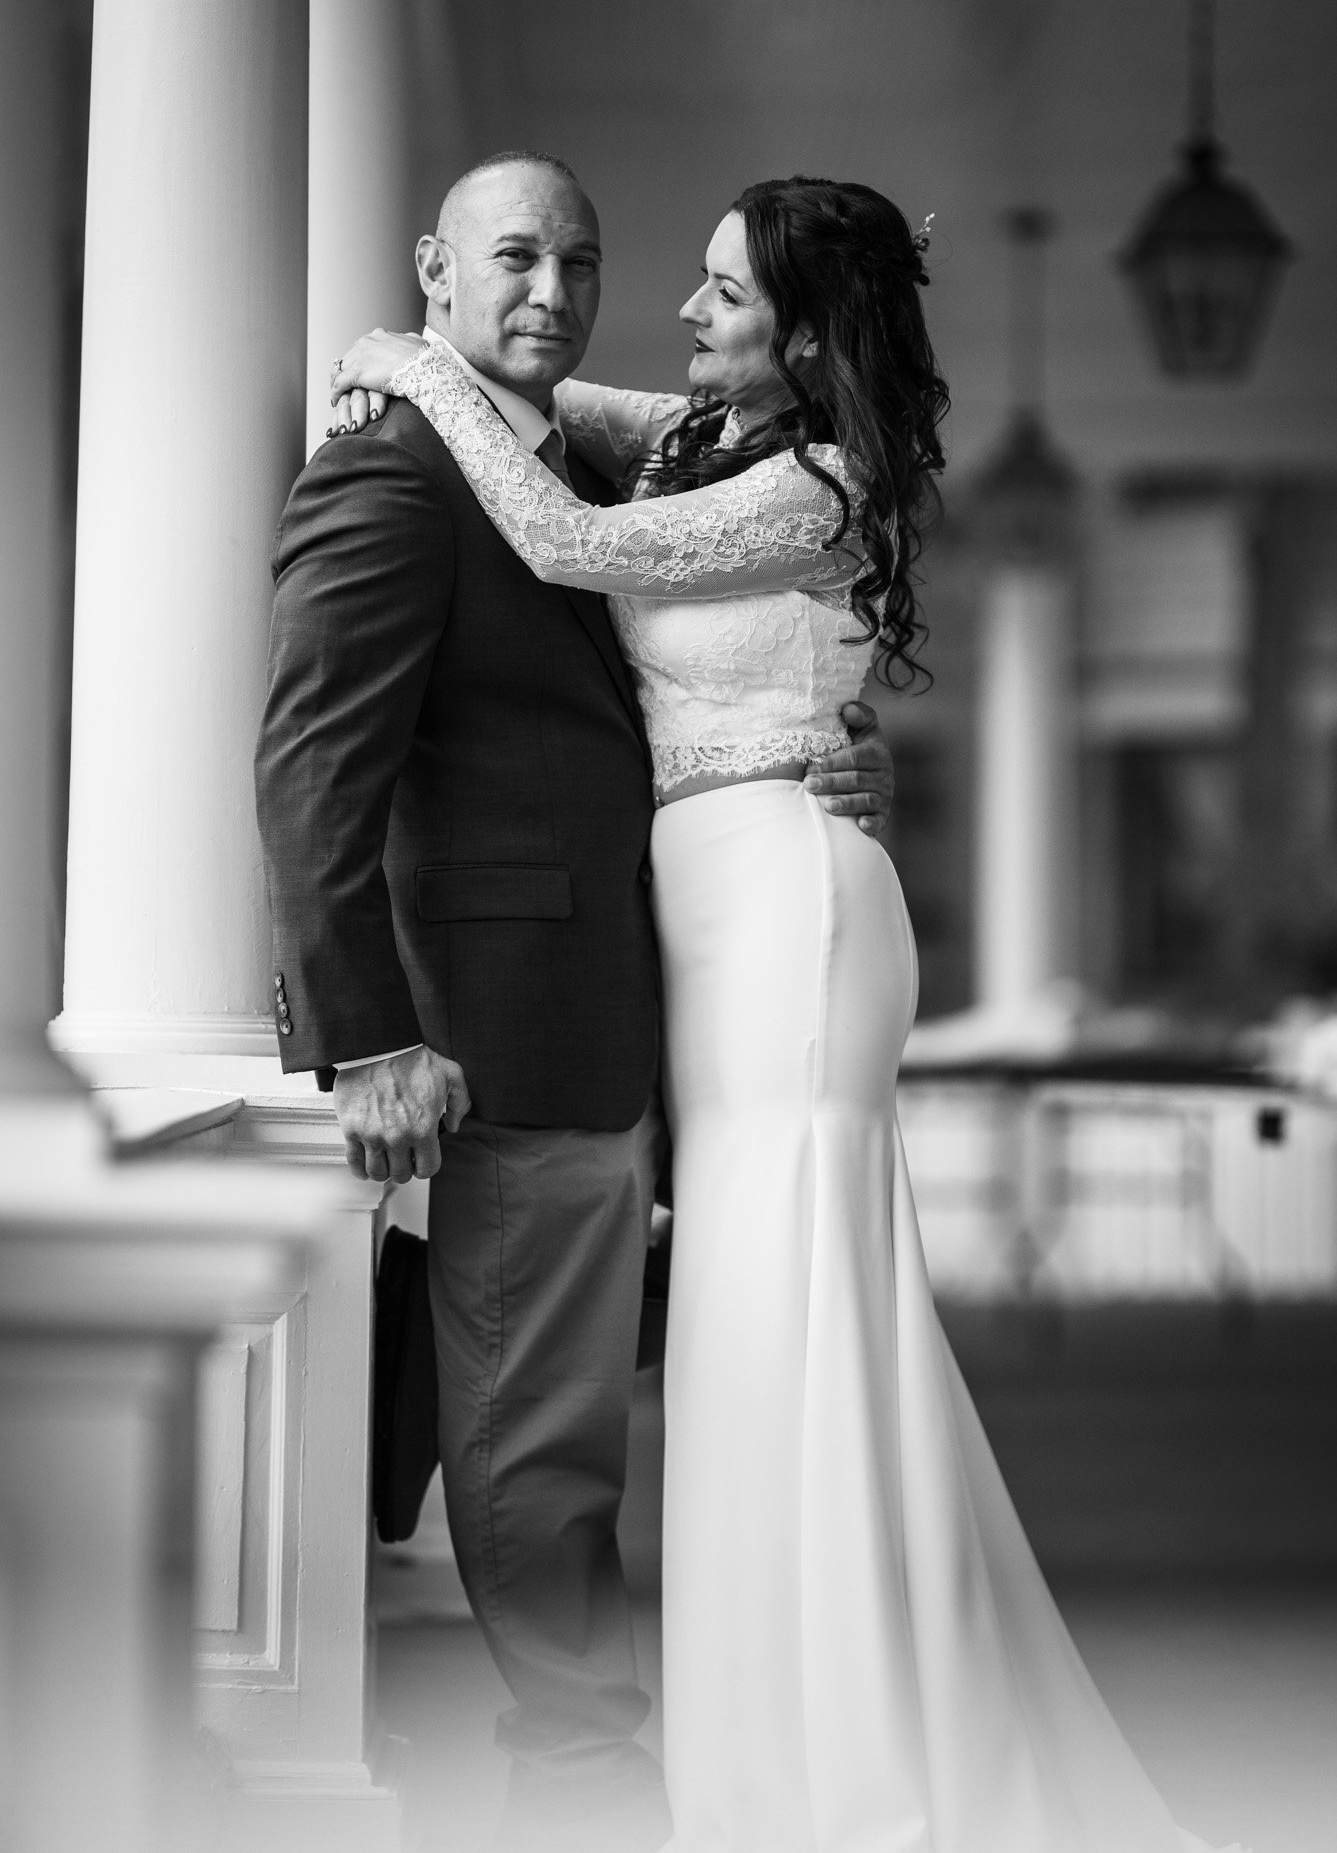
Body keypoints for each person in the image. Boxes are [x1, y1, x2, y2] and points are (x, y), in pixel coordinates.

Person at [330, 172, 1247, 1853]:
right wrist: (441, 356)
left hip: (787, 915)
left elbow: (567, 542)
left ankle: (854, 1748)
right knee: (753, 1309)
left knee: (798, 1296)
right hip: (717, 902)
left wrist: (402, 353)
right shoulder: (701, 433)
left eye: (720, 297)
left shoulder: (821, 480)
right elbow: (553, 406)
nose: (677, 317)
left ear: (804, 337)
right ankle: (782, 1739)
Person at [253, 150, 895, 1853]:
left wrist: (799, 732)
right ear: (434, 271)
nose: (553, 291)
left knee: (571, 1437)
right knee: (539, 1451)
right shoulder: (391, 477)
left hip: (634, 1001)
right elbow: (316, 765)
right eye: (513, 258)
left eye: (581, 261)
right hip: (505, 1026)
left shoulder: (590, 453)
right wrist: (371, 1031)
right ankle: (586, 1798)